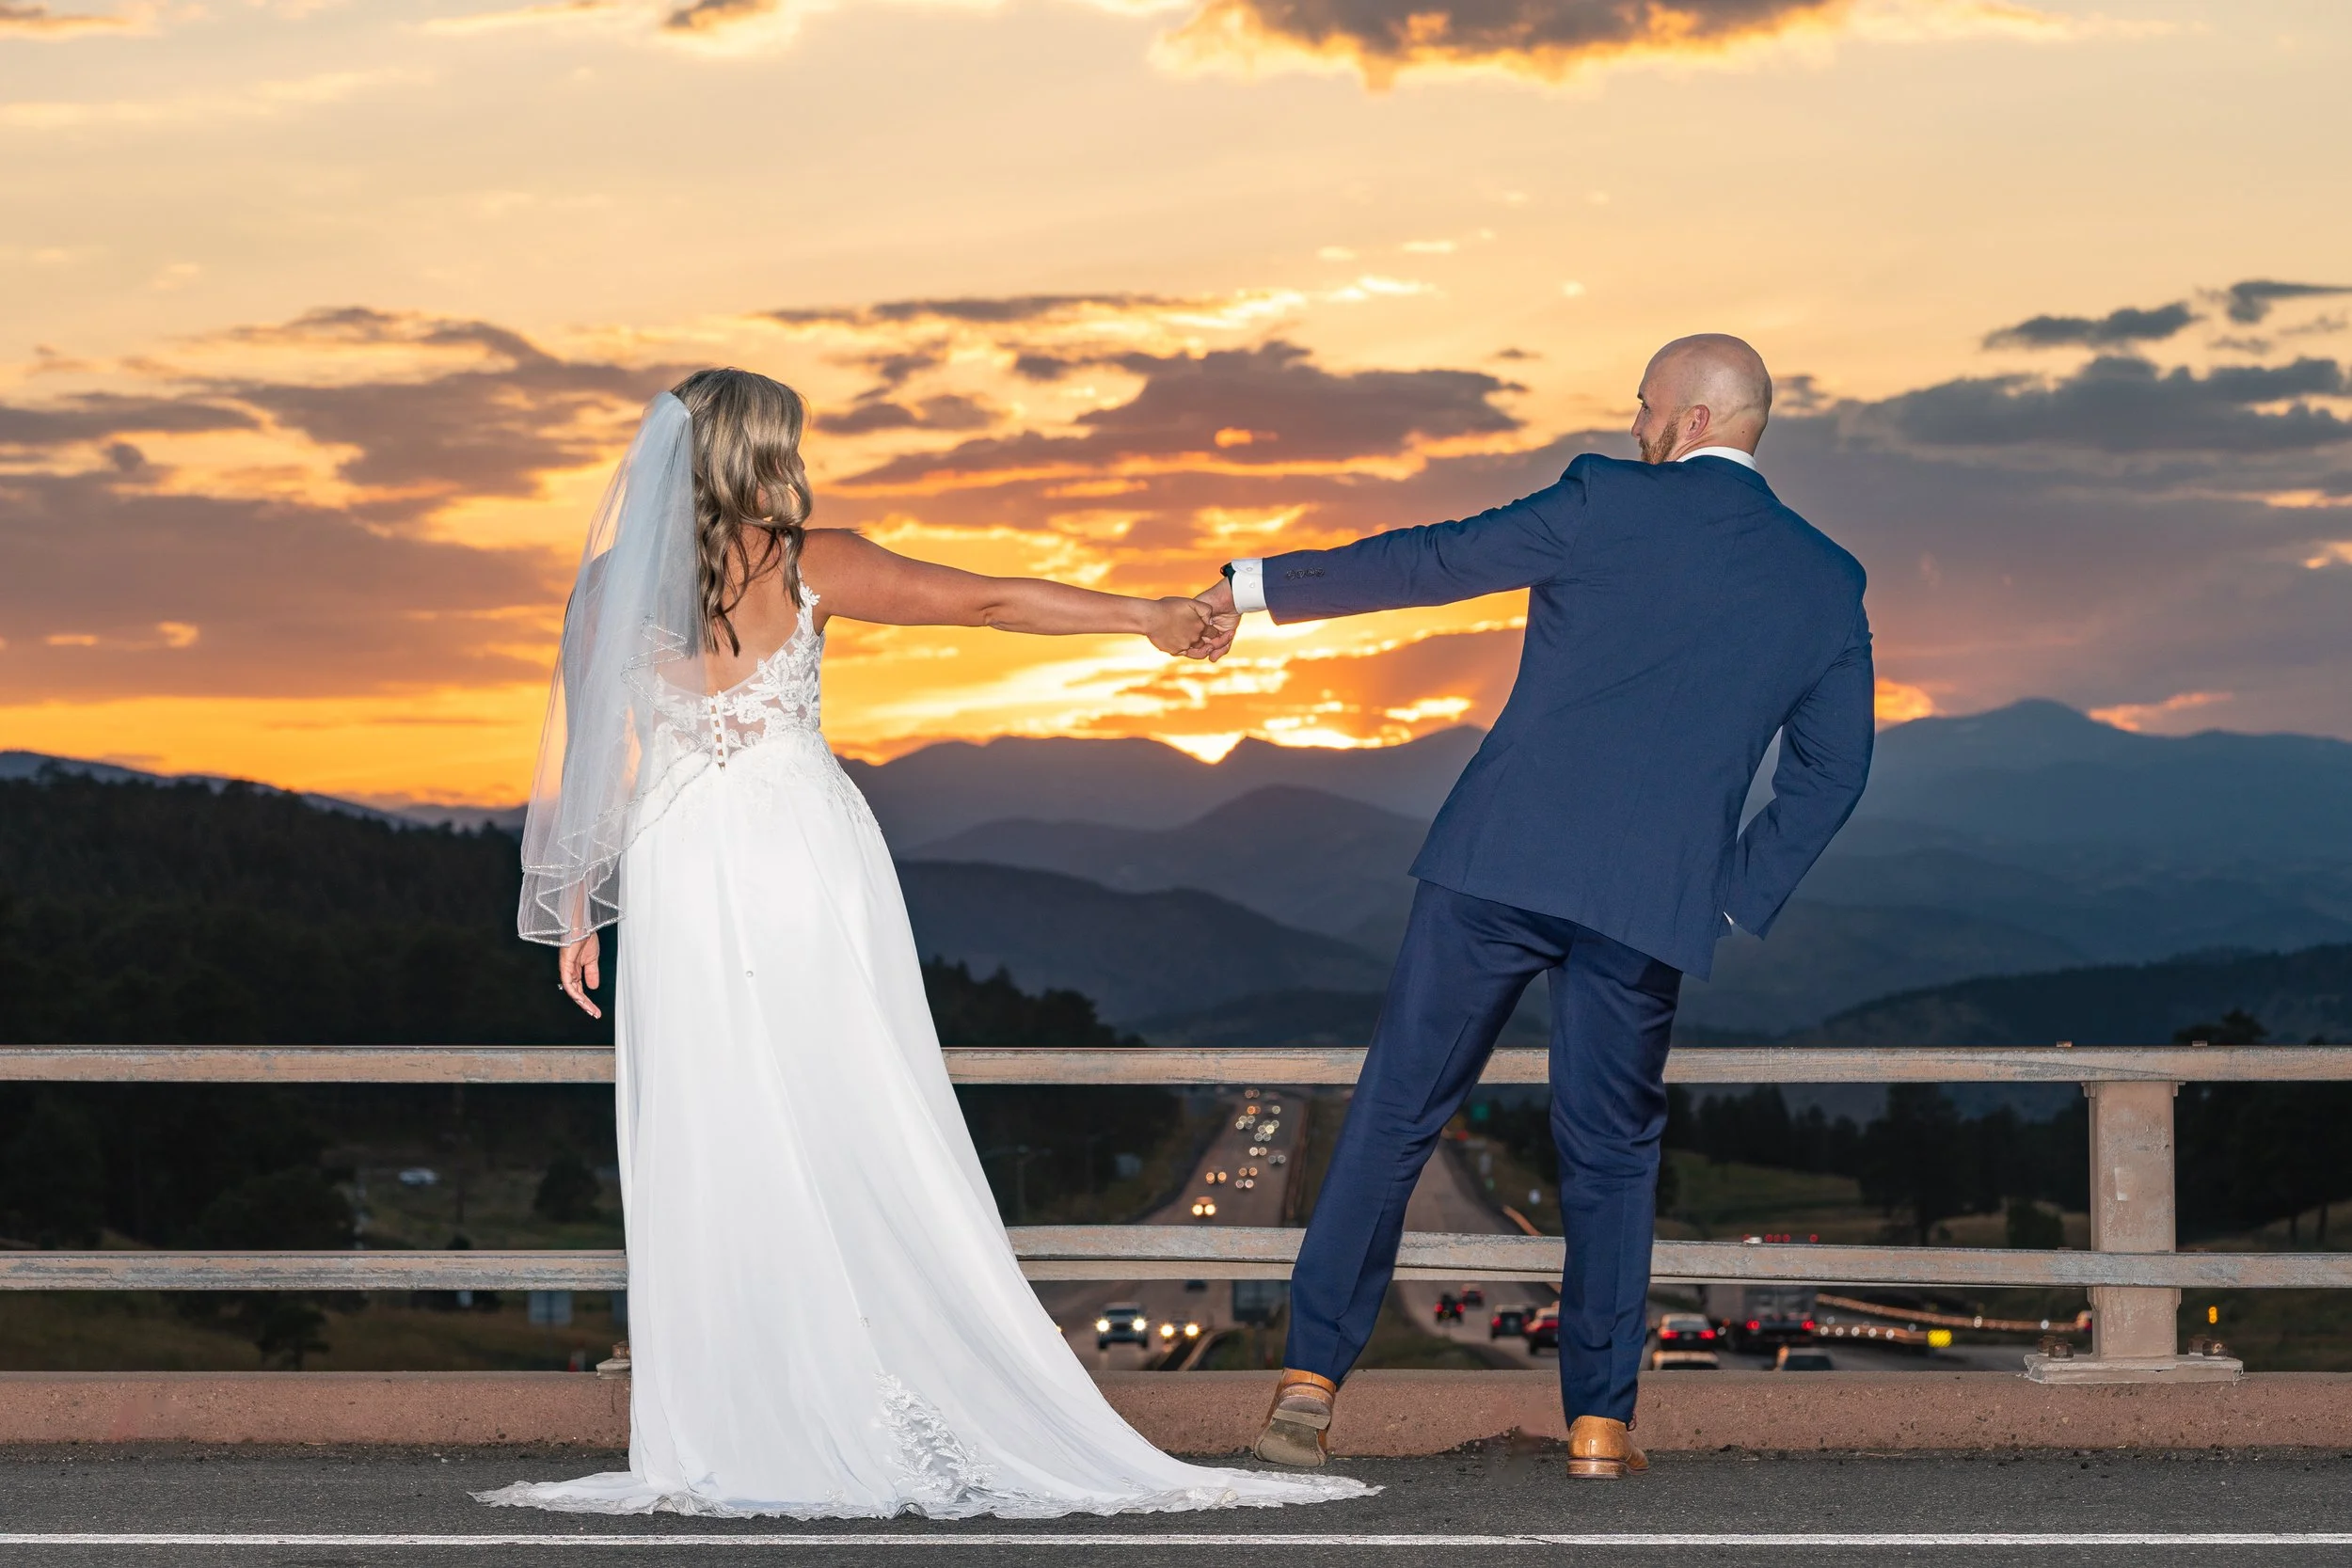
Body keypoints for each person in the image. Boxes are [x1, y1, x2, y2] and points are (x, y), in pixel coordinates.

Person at [480, 368, 1371, 1518]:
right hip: (803, 855)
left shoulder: (606, 589)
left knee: (713, 1115)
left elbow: (592, 750)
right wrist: (1145, 615)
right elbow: (989, 602)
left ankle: (740, 1401)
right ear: (761, 449)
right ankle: (872, 1365)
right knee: (857, 1101)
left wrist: (575, 906)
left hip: (679, 866)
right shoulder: (808, 558)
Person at [1191, 335, 1875, 1481]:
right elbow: (1831, 771)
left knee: (1395, 1115)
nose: (1634, 421)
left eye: (1648, 404)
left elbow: (1432, 560)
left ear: (1697, 417)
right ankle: (1600, 1423)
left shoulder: (1603, 498)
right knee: (1610, 1157)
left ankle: (1308, 1388)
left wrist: (1248, 589)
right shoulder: (1826, 577)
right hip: (1649, 902)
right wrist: (1724, 899)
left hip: (1497, 864)